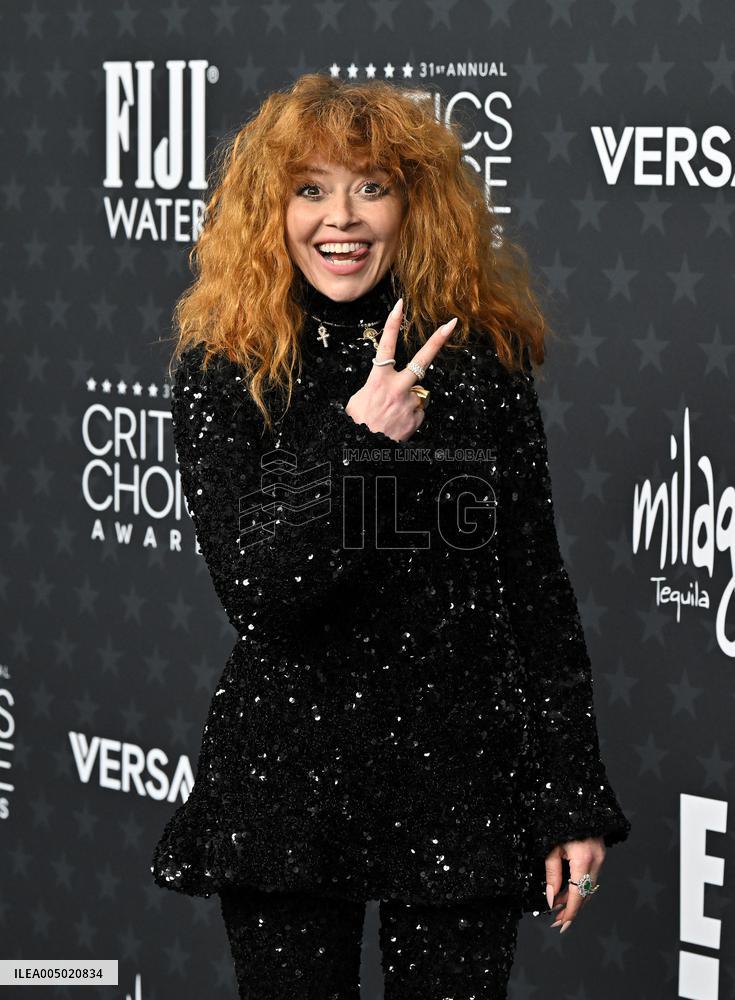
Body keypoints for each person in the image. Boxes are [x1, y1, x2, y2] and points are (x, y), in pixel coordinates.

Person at [151, 73, 632, 999]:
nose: (344, 218)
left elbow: (533, 586)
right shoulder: (231, 364)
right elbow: (258, 591)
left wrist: (571, 793)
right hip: (290, 776)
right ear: (270, 208)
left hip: (461, 775)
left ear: (415, 204)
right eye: (310, 189)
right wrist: (362, 442)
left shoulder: (481, 357)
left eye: (372, 186)